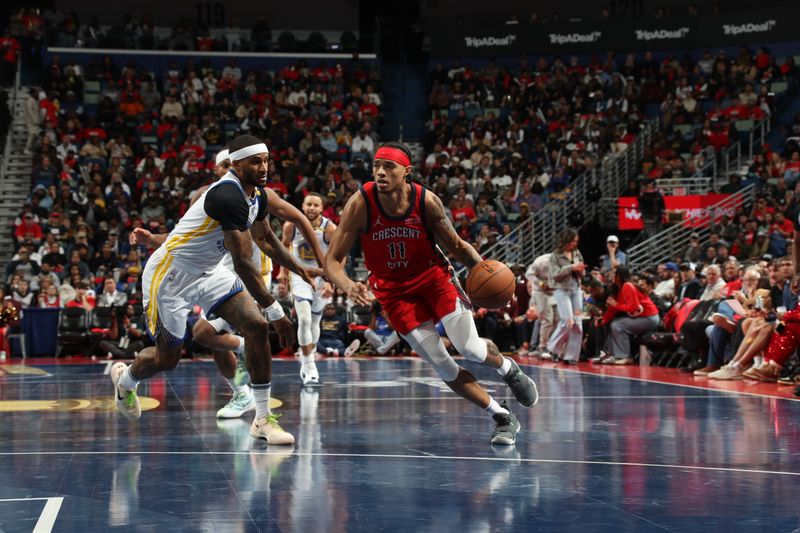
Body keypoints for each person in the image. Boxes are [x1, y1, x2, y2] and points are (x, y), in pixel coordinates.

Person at [324, 142, 538, 446]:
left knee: (471, 348)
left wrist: (490, 277)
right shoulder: (362, 203)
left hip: (433, 278)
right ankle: (502, 416)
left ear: (406, 172)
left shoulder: (427, 202)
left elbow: (458, 247)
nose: (381, 172)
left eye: (389, 167)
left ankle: (508, 369)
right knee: (442, 363)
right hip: (393, 292)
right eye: (377, 166)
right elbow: (332, 260)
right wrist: (347, 284)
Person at [112, 135, 299, 446]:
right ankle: (125, 379)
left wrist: (302, 270)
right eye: (255, 161)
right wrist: (276, 309)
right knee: (167, 359)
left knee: (256, 326)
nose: (264, 167)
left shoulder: (256, 196)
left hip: (209, 272)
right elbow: (240, 262)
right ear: (237, 165)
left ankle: (263, 420)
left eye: (266, 160)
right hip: (169, 277)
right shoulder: (226, 195)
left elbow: (265, 239)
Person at [282, 193, 358, 385]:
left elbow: (341, 257)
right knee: (305, 319)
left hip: (322, 277)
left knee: (315, 320)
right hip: (300, 276)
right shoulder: (291, 225)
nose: (312, 208)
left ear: (322, 209)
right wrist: (283, 272)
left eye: (316, 205)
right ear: (303, 205)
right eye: (309, 204)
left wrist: (331, 282)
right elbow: (283, 247)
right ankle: (308, 363)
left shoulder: (330, 229)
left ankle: (310, 354)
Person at [548, 228, 586, 363]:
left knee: (578, 323)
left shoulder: (577, 253)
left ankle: (572, 356)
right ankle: (553, 348)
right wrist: (571, 268)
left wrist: (581, 270)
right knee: (567, 321)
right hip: (561, 290)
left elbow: (583, 272)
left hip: (576, 289)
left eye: (577, 241)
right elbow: (555, 275)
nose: (575, 244)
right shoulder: (555, 255)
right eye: (573, 241)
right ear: (566, 240)